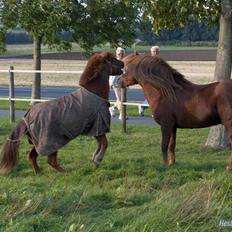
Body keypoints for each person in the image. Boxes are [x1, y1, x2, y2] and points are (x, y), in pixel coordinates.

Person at [138, 46, 160, 116]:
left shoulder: (159, 60)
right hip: (150, 81)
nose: (155, 53)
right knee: (153, 96)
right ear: (151, 52)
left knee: (156, 96)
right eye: (154, 51)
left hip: (158, 81)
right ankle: (152, 111)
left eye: (156, 51)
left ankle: (143, 106)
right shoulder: (148, 61)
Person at [109, 47, 126, 119]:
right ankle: (122, 115)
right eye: (119, 54)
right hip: (115, 84)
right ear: (116, 54)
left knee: (122, 99)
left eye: (122, 54)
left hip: (123, 84)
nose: (120, 55)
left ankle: (112, 108)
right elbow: (112, 75)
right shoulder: (115, 63)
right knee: (120, 99)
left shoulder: (124, 62)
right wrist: (111, 84)